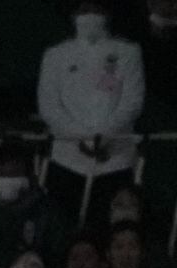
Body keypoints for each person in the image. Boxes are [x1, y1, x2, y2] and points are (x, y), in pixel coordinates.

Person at [37, 1, 144, 225]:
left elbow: (132, 102)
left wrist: (103, 136)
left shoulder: (128, 52)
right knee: (62, 224)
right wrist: (82, 137)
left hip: (116, 158)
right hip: (67, 158)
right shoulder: (55, 54)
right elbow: (49, 106)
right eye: (84, 11)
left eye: (97, 10)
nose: (90, 17)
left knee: (112, 227)